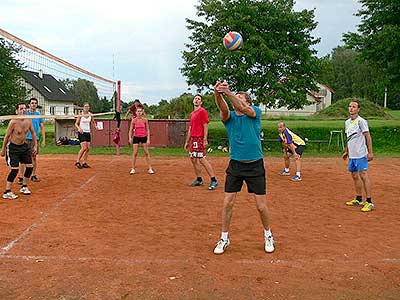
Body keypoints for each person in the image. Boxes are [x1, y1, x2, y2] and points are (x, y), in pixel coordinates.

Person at [213, 80, 274, 254]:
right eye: (235, 98)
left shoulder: (254, 112)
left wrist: (229, 92)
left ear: (248, 102)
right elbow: (224, 109)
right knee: (227, 203)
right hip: (236, 165)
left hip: (255, 165)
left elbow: (243, 108)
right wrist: (218, 93)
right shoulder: (229, 117)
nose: (236, 101)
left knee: (261, 206)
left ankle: (268, 234)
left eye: (241, 98)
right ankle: (224, 238)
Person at [342, 99, 375, 212]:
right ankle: (359, 198)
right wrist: (347, 151)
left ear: (358, 109)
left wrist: (370, 152)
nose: (351, 108)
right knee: (354, 176)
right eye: (350, 106)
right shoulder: (347, 122)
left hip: (361, 153)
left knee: (363, 175)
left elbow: (367, 136)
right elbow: (349, 138)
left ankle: (369, 202)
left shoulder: (361, 121)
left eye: (354, 107)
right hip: (353, 155)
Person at [1, 103, 37, 199]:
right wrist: (3, 149)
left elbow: (33, 133)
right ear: (17, 111)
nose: (23, 110)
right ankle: (7, 191)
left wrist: (35, 146)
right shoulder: (13, 122)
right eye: (21, 109)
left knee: (30, 167)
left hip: (23, 146)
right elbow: (7, 136)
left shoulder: (28, 121)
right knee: (15, 169)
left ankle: (24, 186)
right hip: (13, 148)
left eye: (25, 109)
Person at [184, 94, 218, 190]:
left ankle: (214, 179)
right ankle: (199, 179)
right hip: (193, 139)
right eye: (195, 98)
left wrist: (205, 139)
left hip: (199, 138)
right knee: (193, 159)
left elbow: (205, 125)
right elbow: (190, 128)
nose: (197, 100)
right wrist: (187, 141)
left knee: (201, 158)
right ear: (193, 101)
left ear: (201, 102)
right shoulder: (192, 114)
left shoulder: (202, 111)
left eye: (199, 99)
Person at [18, 97, 45, 184]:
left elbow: (42, 127)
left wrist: (43, 140)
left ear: (37, 105)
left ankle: (33, 175)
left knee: (34, 157)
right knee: (23, 158)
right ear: (29, 104)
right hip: (25, 138)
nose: (33, 104)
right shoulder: (26, 113)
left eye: (35, 103)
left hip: (35, 139)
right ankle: (21, 177)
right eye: (32, 103)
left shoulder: (38, 114)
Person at [128, 107, 154, 174]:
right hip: (136, 137)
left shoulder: (145, 120)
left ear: (142, 112)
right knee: (135, 152)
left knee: (146, 152)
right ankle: (133, 168)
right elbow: (130, 130)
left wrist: (148, 139)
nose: (139, 113)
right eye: (138, 111)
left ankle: (150, 168)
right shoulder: (133, 120)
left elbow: (148, 130)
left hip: (144, 137)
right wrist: (130, 138)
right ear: (136, 112)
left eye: (140, 111)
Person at [75, 103, 97, 169]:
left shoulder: (90, 114)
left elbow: (93, 122)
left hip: (88, 132)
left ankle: (84, 162)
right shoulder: (80, 114)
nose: (86, 108)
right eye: (85, 106)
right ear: (83, 107)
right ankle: (77, 161)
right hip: (82, 132)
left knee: (88, 149)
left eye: (87, 107)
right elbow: (76, 124)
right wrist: (79, 128)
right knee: (84, 148)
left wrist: (95, 126)